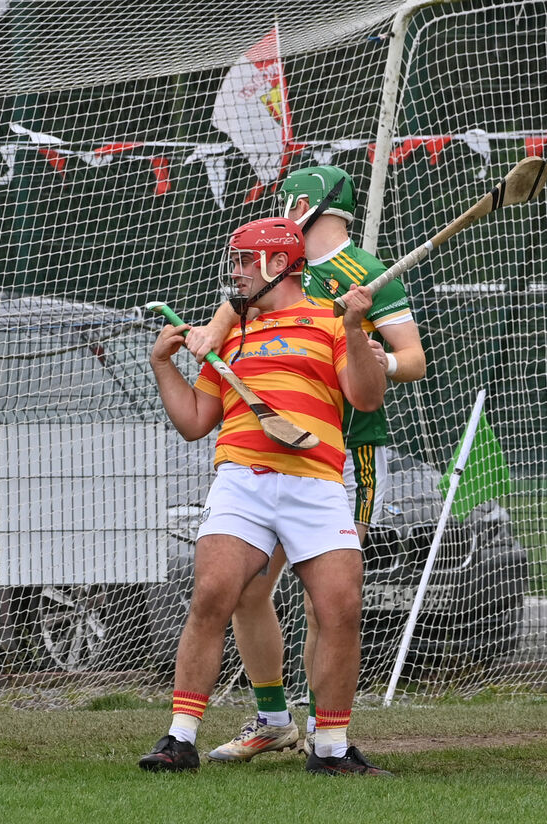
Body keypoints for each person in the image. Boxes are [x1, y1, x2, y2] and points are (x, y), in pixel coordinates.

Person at [184, 165, 426, 762]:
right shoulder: (265, 266)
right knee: (243, 589)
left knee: (332, 597)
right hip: (263, 450)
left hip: (349, 445)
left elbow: (412, 359)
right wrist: (204, 339)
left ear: (310, 203)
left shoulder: (367, 274)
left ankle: (327, 733)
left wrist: (375, 360)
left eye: (291, 199)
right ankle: (272, 717)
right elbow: (220, 331)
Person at [139, 217, 391, 776]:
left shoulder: (329, 321)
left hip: (317, 481)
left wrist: (354, 329)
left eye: (244, 261)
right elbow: (195, 420)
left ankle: (331, 749)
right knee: (212, 593)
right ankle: (180, 739)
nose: (235, 271)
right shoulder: (229, 332)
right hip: (242, 480)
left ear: (277, 264)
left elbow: (366, 399)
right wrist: (162, 365)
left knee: (341, 608)